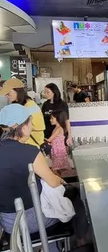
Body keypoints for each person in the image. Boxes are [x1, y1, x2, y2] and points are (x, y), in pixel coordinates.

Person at [0, 104, 89, 249]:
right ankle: (81, 242)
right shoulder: (30, 152)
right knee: (75, 197)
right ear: (22, 127)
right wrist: (59, 179)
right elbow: (53, 182)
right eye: (30, 121)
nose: (32, 125)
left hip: (8, 223)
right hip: (34, 221)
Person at [0, 78, 45, 147]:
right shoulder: (17, 105)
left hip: (31, 144)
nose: (6, 95)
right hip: (22, 143)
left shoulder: (30, 106)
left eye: (8, 93)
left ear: (17, 90)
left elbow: (39, 127)